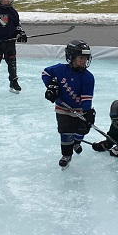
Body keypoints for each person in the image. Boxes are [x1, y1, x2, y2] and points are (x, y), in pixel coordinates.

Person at [41, 39, 95, 168]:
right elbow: (45, 73)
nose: (83, 61)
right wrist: (51, 86)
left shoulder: (88, 77)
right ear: (71, 57)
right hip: (62, 108)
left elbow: (86, 98)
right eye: (80, 58)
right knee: (65, 131)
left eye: (86, 58)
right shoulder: (59, 70)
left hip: (80, 109)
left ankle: (77, 142)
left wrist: (87, 113)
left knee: (81, 130)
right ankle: (66, 154)